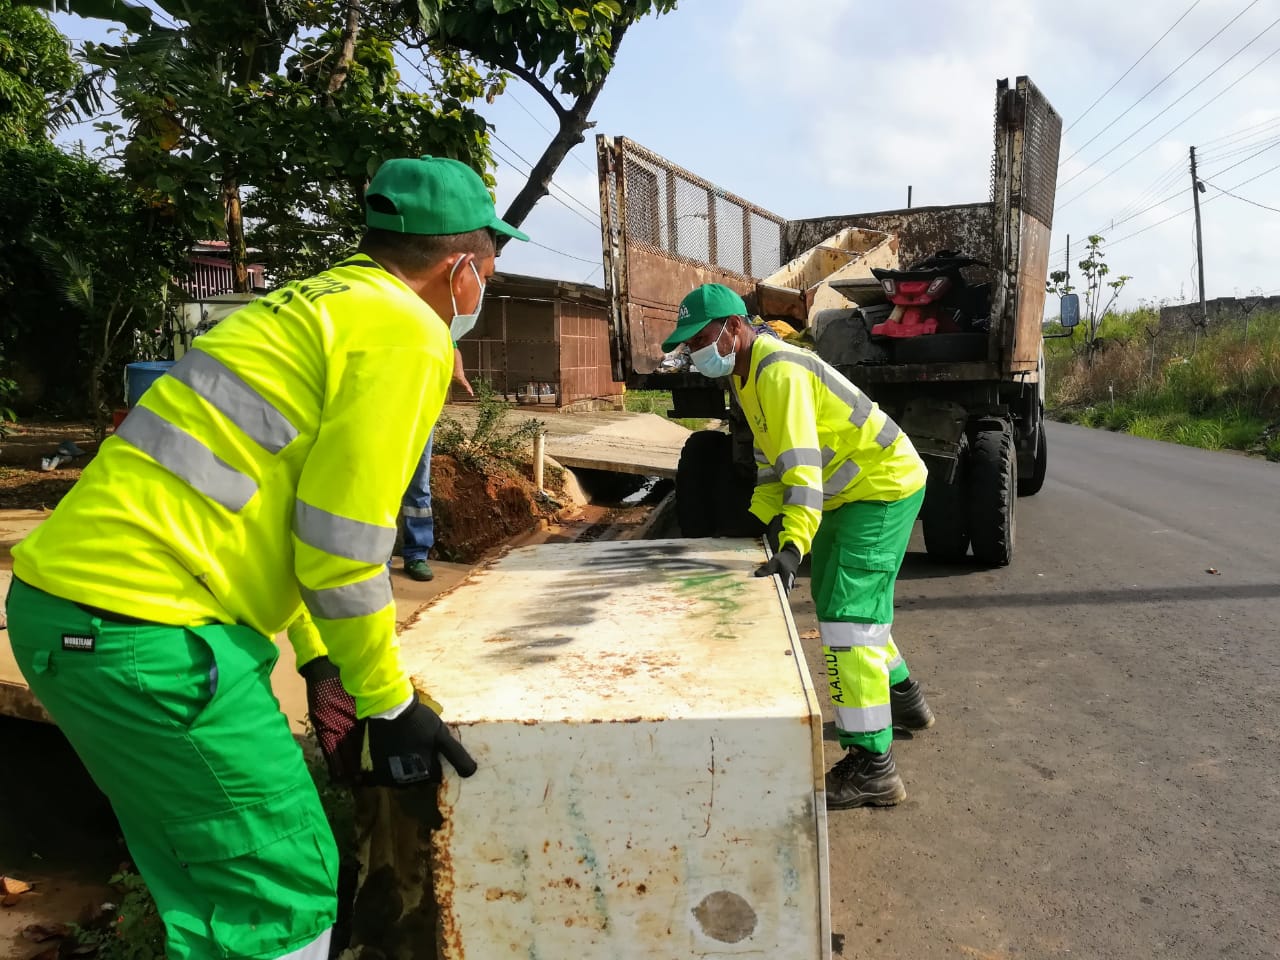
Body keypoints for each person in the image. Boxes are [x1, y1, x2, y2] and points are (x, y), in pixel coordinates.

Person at [3, 155, 527, 960]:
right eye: (489, 267)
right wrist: (386, 702)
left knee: (210, 898)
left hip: (72, 617)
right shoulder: (406, 330)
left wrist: (322, 665)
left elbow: (287, 517)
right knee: (284, 892)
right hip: (151, 639)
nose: (484, 288)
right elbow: (341, 549)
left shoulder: (307, 303)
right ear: (462, 267)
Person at [662, 283, 936, 809]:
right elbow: (775, 464)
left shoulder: (778, 370)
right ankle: (903, 699)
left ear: (734, 327)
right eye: (688, 345)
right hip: (852, 491)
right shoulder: (747, 376)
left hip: (880, 487)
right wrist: (755, 523)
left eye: (700, 340)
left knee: (848, 618)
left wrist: (791, 549)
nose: (695, 353)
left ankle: (872, 766)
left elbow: (804, 477)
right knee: (853, 609)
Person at [401, 348, 473, 582]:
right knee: (384, 486)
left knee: (418, 486)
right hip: (383, 411)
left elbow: (451, 344)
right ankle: (379, 559)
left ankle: (416, 555)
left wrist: (458, 370)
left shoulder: (431, 319)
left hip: (421, 414)